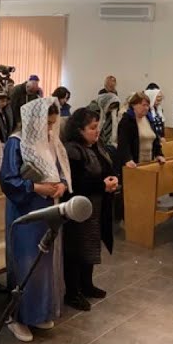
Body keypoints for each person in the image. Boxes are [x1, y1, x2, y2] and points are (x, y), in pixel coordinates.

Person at [1, 97, 70, 343]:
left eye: (53, 124)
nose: (50, 128)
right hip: (25, 210)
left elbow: (60, 168)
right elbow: (9, 180)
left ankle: (38, 312)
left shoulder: (50, 140)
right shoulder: (16, 142)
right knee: (26, 262)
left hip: (47, 208)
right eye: (47, 123)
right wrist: (37, 187)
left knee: (43, 262)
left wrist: (61, 185)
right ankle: (17, 317)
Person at [60, 107, 114, 310]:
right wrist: (102, 185)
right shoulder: (72, 150)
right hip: (78, 208)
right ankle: (73, 292)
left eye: (97, 127)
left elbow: (105, 168)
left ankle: (87, 285)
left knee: (90, 245)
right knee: (76, 249)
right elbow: (76, 182)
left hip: (95, 206)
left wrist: (111, 179)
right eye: (92, 128)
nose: (97, 131)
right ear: (79, 130)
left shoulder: (94, 146)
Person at [116, 91, 165, 169]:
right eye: (143, 105)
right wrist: (127, 159)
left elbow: (155, 139)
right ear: (134, 105)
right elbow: (123, 143)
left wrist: (159, 154)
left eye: (148, 105)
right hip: (134, 164)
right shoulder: (127, 121)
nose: (146, 108)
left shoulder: (149, 119)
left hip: (149, 162)